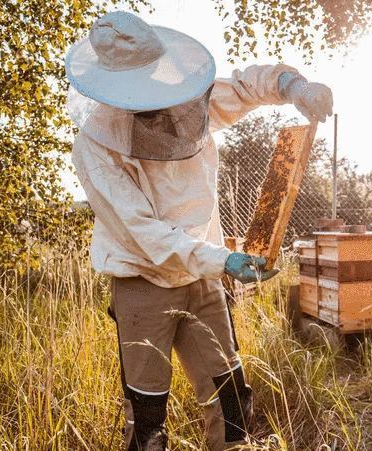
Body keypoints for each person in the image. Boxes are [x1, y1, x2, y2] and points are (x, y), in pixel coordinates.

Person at [65, 11, 333, 450]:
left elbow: (247, 86)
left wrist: (293, 86)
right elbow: (143, 233)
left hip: (204, 280)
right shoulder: (95, 145)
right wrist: (223, 260)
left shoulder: (190, 98)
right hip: (143, 282)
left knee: (234, 407)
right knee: (148, 425)